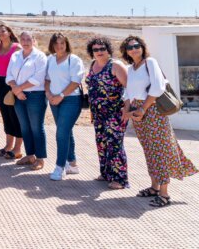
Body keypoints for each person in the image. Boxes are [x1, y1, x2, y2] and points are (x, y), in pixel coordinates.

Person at [120, 35, 197, 206]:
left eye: (137, 45)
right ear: (126, 51)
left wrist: (142, 109)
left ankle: (164, 194)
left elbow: (157, 87)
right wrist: (128, 109)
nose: (134, 49)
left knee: (160, 150)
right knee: (148, 149)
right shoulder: (131, 69)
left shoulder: (150, 62)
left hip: (153, 110)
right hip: (138, 112)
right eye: (130, 47)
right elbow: (128, 92)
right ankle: (154, 187)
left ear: (142, 47)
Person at [85, 37, 129, 189]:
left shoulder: (115, 65)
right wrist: (92, 110)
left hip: (115, 112)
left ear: (108, 50)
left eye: (102, 49)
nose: (99, 52)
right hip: (98, 113)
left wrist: (127, 108)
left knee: (114, 144)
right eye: (95, 49)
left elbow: (129, 87)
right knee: (102, 143)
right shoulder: (92, 65)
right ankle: (106, 173)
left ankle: (119, 179)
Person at [44, 33, 85, 181]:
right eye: (56, 44)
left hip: (71, 100)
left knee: (61, 132)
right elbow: (47, 79)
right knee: (66, 131)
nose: (59, 46)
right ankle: (72, 165)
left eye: (62, 43)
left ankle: (59, 167)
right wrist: (49, 94)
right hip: (54, 100)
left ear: (66, 44)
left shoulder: (74, 60)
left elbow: (76, 82)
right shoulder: (50, 59)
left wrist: (61, 95)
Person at [6, 31, 48, 171]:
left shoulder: (40, 56)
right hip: (19, 96)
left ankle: (40, 158)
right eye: (22, 39)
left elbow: (39, 77)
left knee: (36, 127)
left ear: (34, 40)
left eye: (28, 39)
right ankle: (30, 156)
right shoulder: (16, 55)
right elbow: (9, 74)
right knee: (25, 127)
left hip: (35, 96)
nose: (25, 41)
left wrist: (19, 89)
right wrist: (16, 90)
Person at [0, 24, 23, 160]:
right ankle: (8, 146)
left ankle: (18, 149)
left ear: (9, 32)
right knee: (5, 115)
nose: (0, 33)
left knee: (15, 116)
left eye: (3, 31)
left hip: (12, 83)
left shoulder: (17, 47)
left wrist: (17, 84)